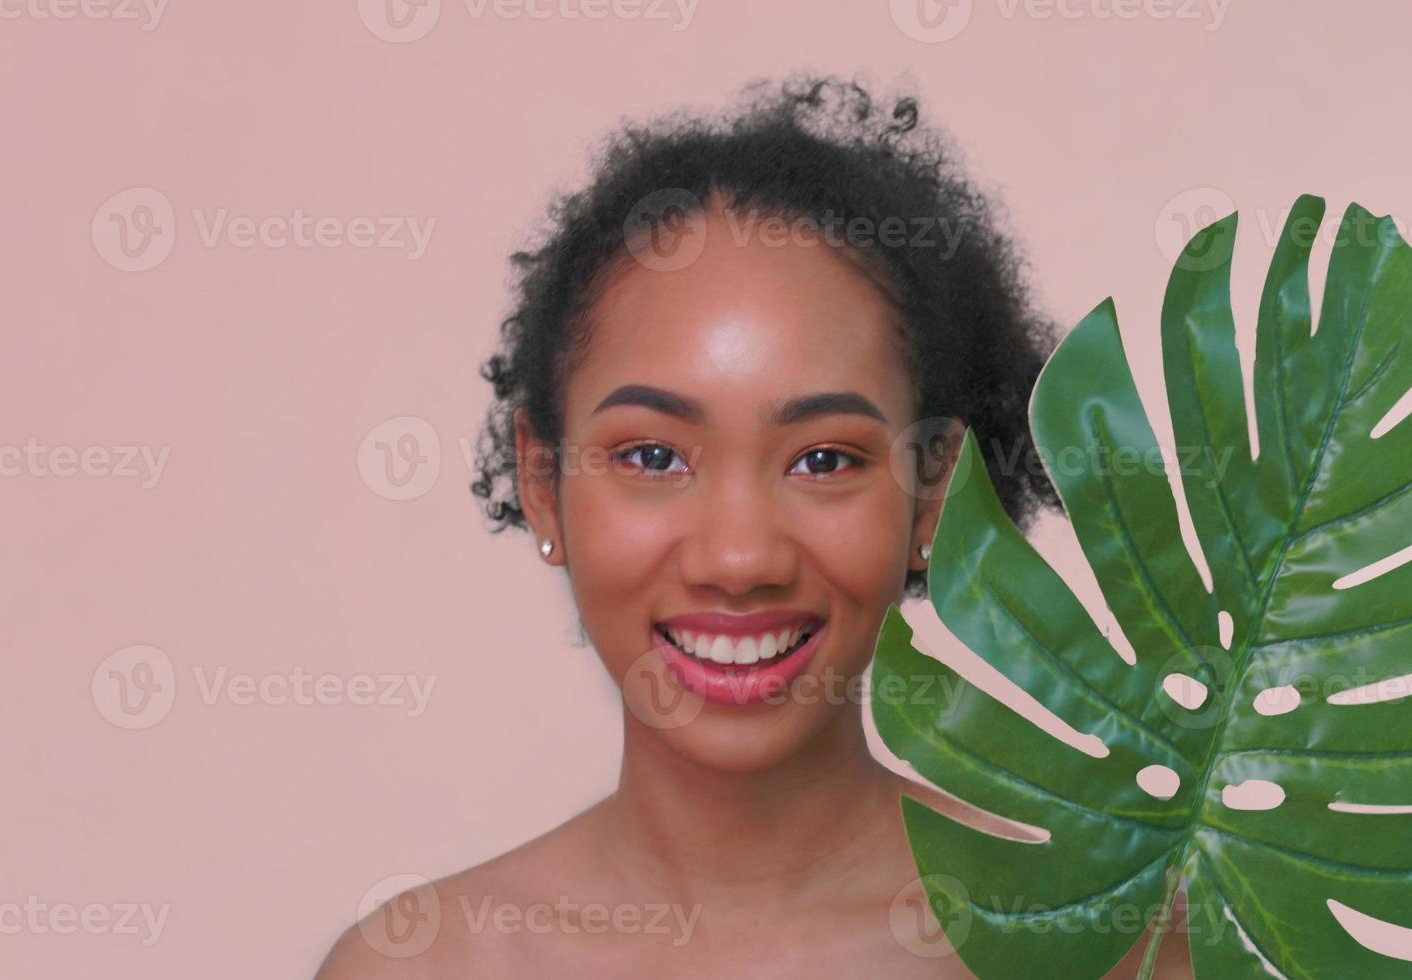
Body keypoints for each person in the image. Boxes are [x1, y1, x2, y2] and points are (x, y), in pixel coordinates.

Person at [315, 73, 1191, 978]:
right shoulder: (416, 963)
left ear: (935, 490)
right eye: (653, 457)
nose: (739, 559)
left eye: (824, 460)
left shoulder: (1108, 950)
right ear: (543, 479)